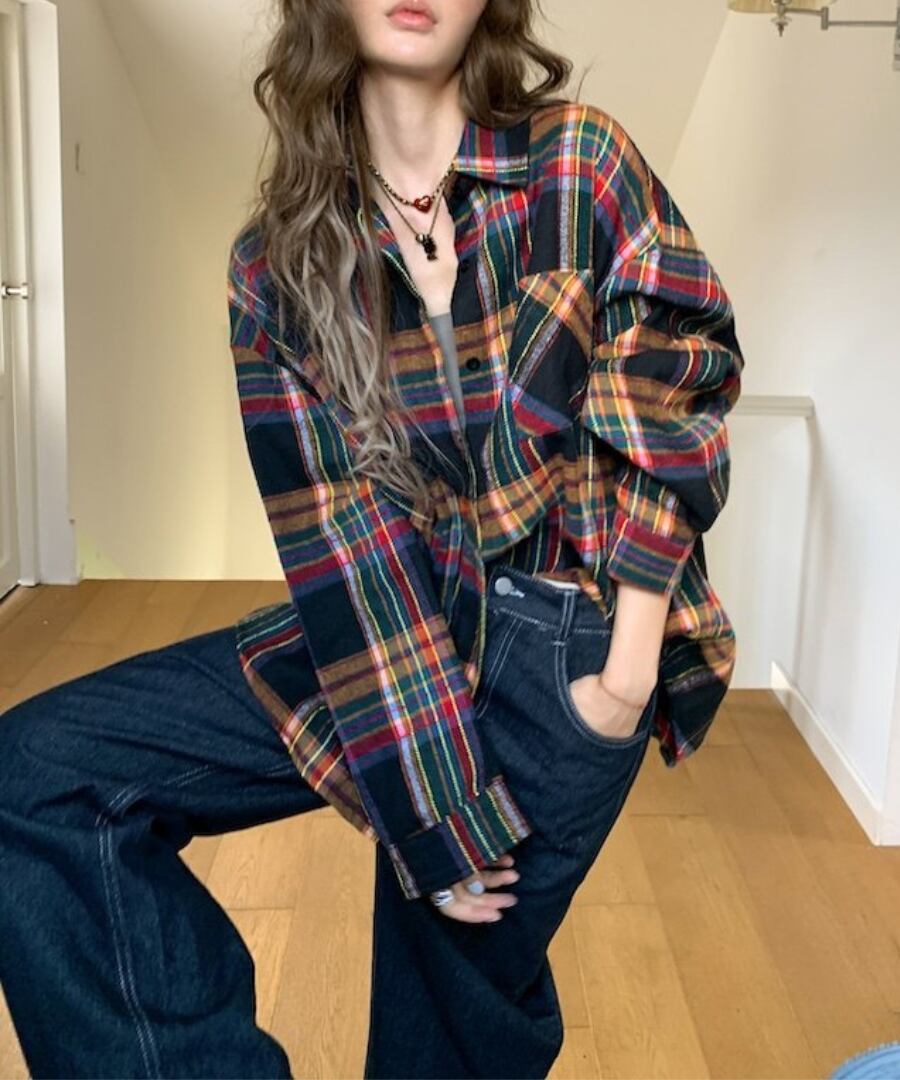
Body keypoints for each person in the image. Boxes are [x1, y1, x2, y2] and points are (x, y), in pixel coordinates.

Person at [0, 1, 745, 1077]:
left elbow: (680, 375)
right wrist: (435, 804)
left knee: (433, 1036)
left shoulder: (577, 162)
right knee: (36, 776)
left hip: (567, 649)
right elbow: (341, 536)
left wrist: (625, 677)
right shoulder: (275, 267)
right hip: (398, 631)